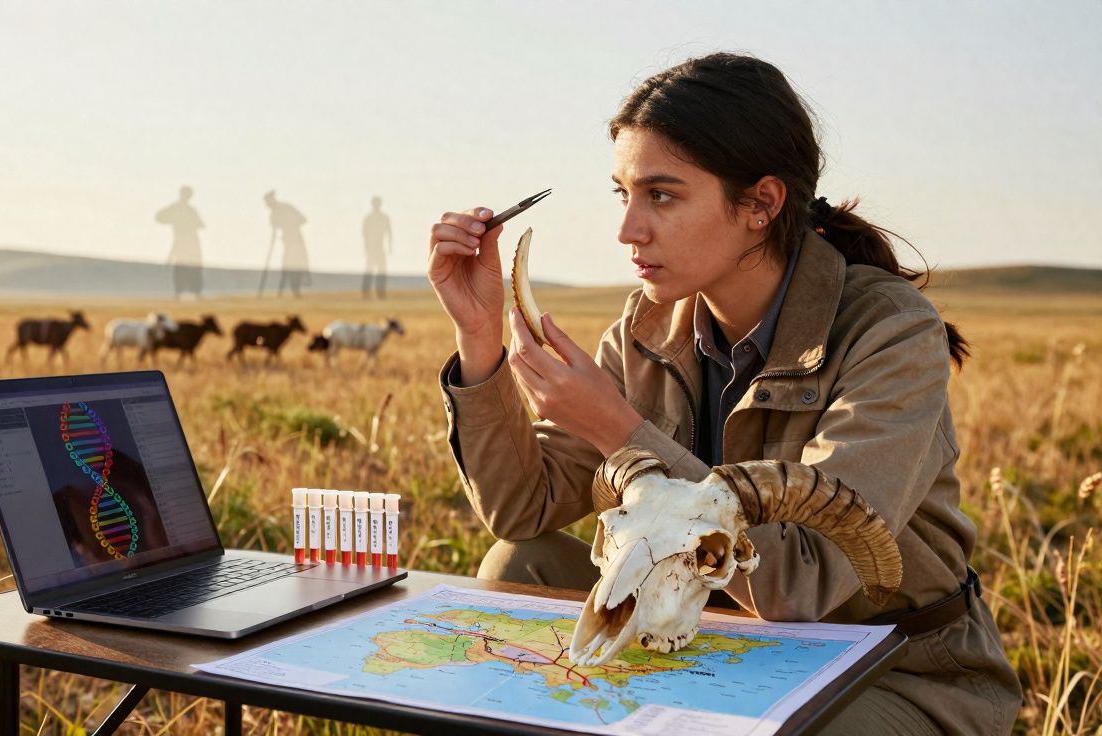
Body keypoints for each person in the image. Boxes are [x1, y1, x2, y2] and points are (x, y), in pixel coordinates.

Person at [427, 52, 1020, 735]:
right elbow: (520, 508)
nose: (628, 229)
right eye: (623, 194)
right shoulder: (645, 329)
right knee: (519, 565)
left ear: (761, 204)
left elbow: (801, 583)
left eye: (662, 195)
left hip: (888, 664)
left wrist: (617, 427)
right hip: (704, 632)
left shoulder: (890, 332)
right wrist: (479, 336)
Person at [156, 186, 205, 300]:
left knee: (190, 267)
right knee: (183, 267)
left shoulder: (188, 209)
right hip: (184, 239)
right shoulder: (179, 208)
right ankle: (182, 292)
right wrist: (175, 221)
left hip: (188, 240)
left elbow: (200, 224)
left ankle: (191, 292)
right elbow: (159, 217)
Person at [263, 190, 311, 297]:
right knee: (286, 266)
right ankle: (282, 292)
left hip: (297, 241)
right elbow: (274, 229)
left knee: (297, 265)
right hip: (287, 242)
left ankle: (295, 290)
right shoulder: (273, 214)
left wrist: (289, 225)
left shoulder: (286, 208)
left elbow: (303, 219)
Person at [362, 196, 393, 299]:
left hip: (380, 247)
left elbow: (389, 232)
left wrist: (390, 246)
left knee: (381, 271)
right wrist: (366, 247)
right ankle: (366, 293)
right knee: (369, 271)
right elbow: (365, 234)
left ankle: (380, 293)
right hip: (371, 248)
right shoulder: (369, 218)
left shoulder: (384, 218)